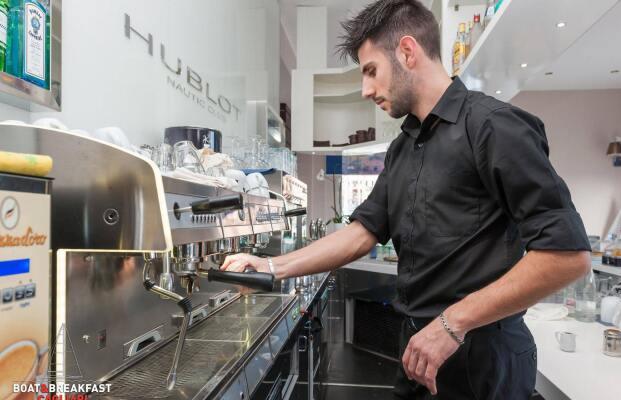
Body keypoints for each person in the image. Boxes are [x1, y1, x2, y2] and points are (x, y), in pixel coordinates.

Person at [221, 0, 591, 398]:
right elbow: (361, 233)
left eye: (370, 71)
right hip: (418, 353)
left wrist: (452, 323)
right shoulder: (402, 148)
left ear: (408, 52)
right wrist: (270, 266)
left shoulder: (493, 126)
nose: (365, 89)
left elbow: (566, 256)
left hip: (483, 362)